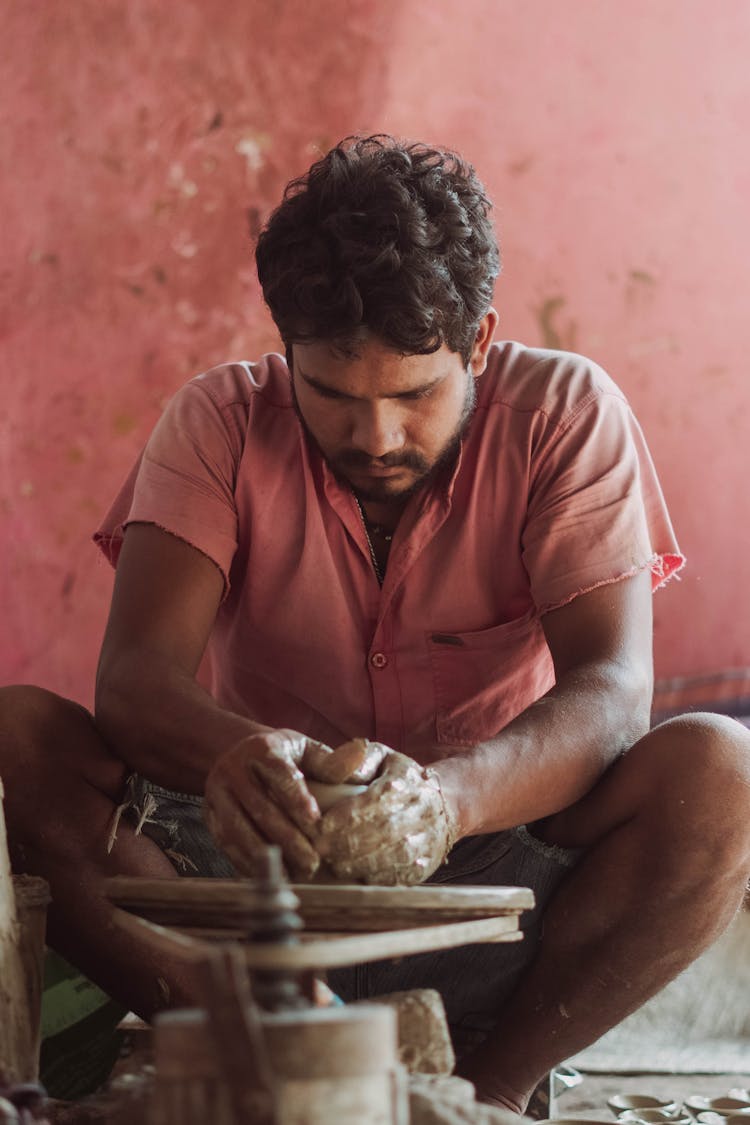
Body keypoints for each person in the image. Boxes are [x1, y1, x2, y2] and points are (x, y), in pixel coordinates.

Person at [2, 135, 749, 1114]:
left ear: (480, 340)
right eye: (331, 395)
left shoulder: (566, 411)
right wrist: (238, 755)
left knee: (720, 773)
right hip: (252, 883)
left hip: (487, 880)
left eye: (415, 393)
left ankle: (482, 1093)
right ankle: (271, 1041)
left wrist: (448, 798)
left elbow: (612, 695)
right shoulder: (218, 419)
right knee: (19, 736)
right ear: (285, 351)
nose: (376, 436)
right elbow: (136, 679)